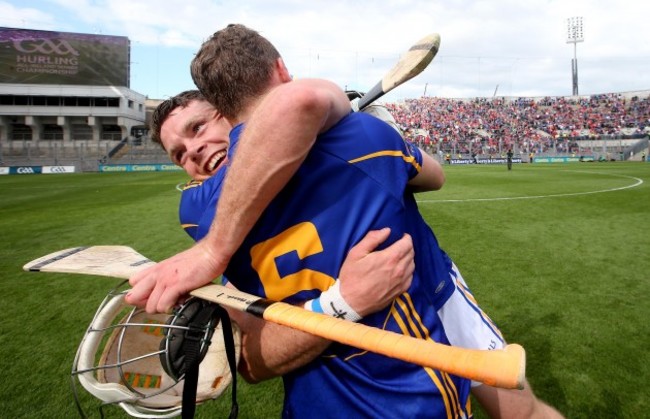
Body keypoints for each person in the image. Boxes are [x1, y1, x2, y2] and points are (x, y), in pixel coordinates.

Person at [128, 24, 562, 418]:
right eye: (179, 155)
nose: (195, 152)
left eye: (198, 128)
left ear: (225, 110)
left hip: (432, 289)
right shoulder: (358, 140)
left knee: (521, 410)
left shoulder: (200, 214)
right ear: (281, 70)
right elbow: (432, 173)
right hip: (374, 366)